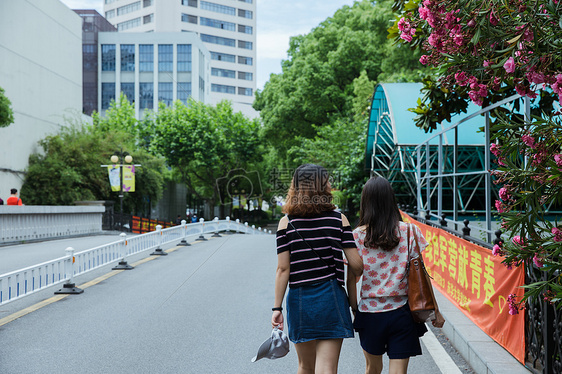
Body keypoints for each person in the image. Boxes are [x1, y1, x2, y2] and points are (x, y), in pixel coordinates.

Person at [272, 164, 363, 374]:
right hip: (331, 298)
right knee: (328, 369)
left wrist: (277, 309)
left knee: (305, 366)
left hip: (299, 300)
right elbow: (356, 265)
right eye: (328, 181)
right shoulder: (339, 220)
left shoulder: (286, 223)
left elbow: (282, 270)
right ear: (322, 186)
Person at [348, 177, 445, 374]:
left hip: (369, 313)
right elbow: (421, 274)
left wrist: (355, 309)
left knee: (372, 368)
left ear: (365, 202)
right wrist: (436, 310)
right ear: (391, 200)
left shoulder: (356, 236)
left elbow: (351, 278)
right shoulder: (409, 231)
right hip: (401, 311)